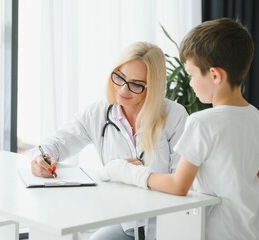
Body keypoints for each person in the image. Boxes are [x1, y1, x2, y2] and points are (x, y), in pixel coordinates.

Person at [100, 18, 259, 240]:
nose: (191, 83)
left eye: (193, 75)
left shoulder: (202, 122)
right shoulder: (258, 118)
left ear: (214, 75)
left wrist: (125, 171)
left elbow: (179, 186)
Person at [30, 41, 189, 240]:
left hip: (166, 228)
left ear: (152, 87)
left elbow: (182, 183)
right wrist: (41, 157)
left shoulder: (174, 116)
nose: (123, 89)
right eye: (119, 77)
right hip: (127, 226)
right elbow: (57, 142)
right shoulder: (98, 113)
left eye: (136, 84)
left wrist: (131, 174)